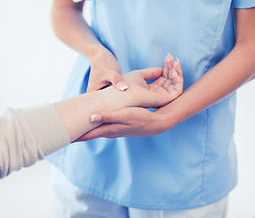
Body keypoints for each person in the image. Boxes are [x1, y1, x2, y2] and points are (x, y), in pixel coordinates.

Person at [48, 0, 255, 218]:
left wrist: (166, 117)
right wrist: (98, 54)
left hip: (186, 158)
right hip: (92, 140)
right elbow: (63, 9)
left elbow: (251, 46)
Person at [0, 56, 183, 179]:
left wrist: (109, 98)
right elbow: (11, 145)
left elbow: (11, 143)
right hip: (88, 163)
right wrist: (111, 98)